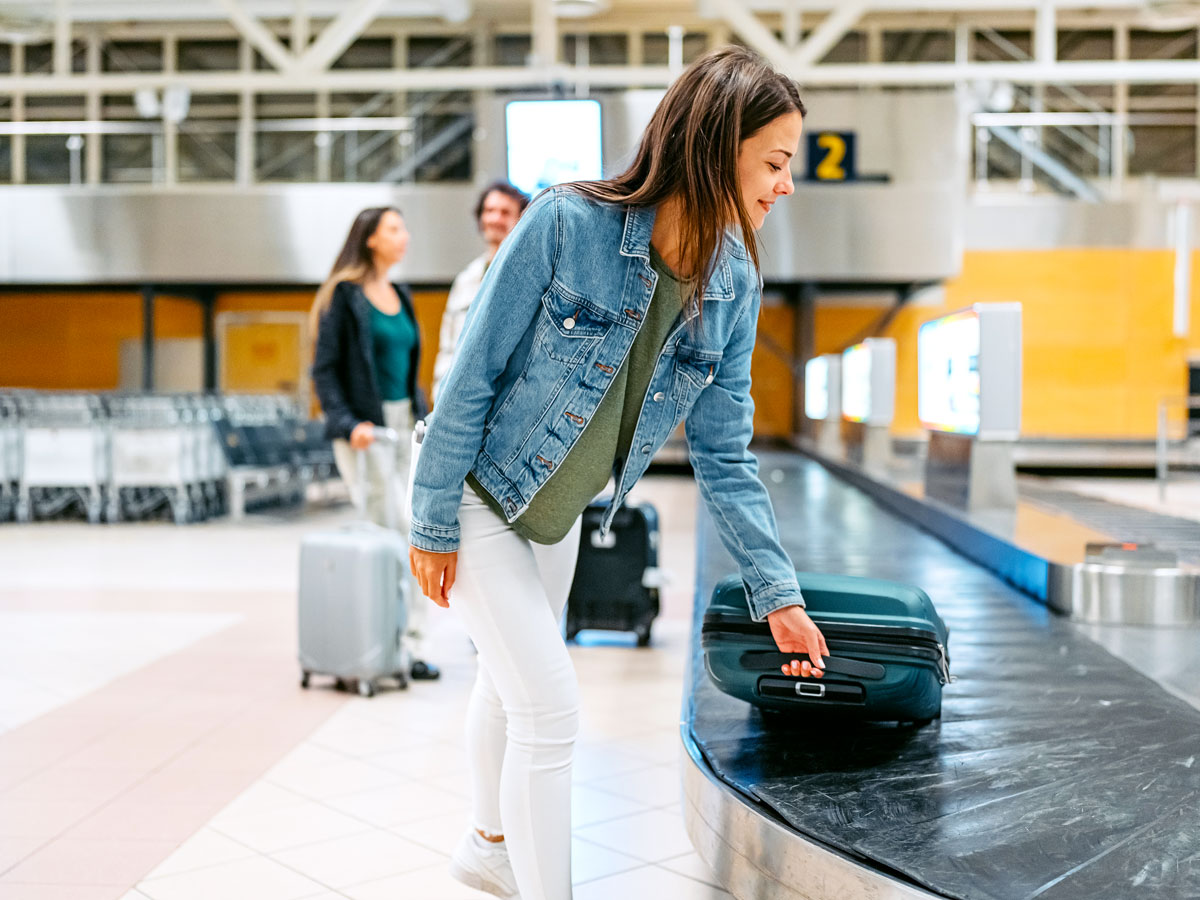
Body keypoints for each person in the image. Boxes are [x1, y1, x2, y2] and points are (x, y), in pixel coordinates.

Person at [409, 47, 830, 900]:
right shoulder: (567, 223)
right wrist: (431, 519)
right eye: (776, 162)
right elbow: (472, 374)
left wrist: (775, 592)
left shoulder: (736, 282)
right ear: (718, 145)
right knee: (551, 708)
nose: (786, 185)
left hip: (555, 513)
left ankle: (490, 844)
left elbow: (724, 450)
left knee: (506, 680)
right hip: (477, 491)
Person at [310, 205, 440, 682]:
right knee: (390, 531)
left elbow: (407, 372)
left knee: (414, 530)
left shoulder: (400, 295)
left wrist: (425, 417)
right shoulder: (344, 297)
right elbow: (324, 370)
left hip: (405, 425)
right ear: (370, 239)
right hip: (366, 434)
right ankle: (385, 640)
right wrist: (348, 425)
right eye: (394, 228)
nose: (404, 235)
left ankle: (412, 644)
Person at [432, 180, 529, 402]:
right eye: (489, 211)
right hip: (461, 401)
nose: (495, 219)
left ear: (520, 219)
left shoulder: (531, 278)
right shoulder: (466, 279)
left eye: (505, 212)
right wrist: (439, 395)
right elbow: (448, 346)